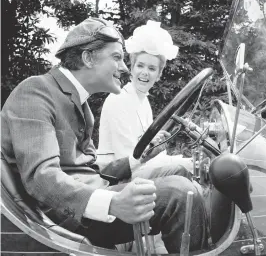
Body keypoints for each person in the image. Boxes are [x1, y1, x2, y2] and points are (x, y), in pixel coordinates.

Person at [1, 17, 206, 253]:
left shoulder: (81, 104)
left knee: (182, 188)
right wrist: (113, 203)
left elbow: (92, 170)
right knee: (180, 193)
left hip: (90, 199)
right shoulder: (36, 91)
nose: (125, 68)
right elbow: (41, 177)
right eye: (117, 57)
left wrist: (135, 161)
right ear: (88, 58)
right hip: (67, 214)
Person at [98, 20, 193, 177]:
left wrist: (189, 162)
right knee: (180, 173)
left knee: (194, 167)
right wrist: (154, 147)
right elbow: (130, 159)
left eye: (151, 68)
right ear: (132, 68)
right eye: (140, 66)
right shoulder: (118, 100)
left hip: (137, 168)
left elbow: (149, 155)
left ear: (159, 75)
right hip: (116, 176)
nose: (145, 73)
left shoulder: (143, 102)